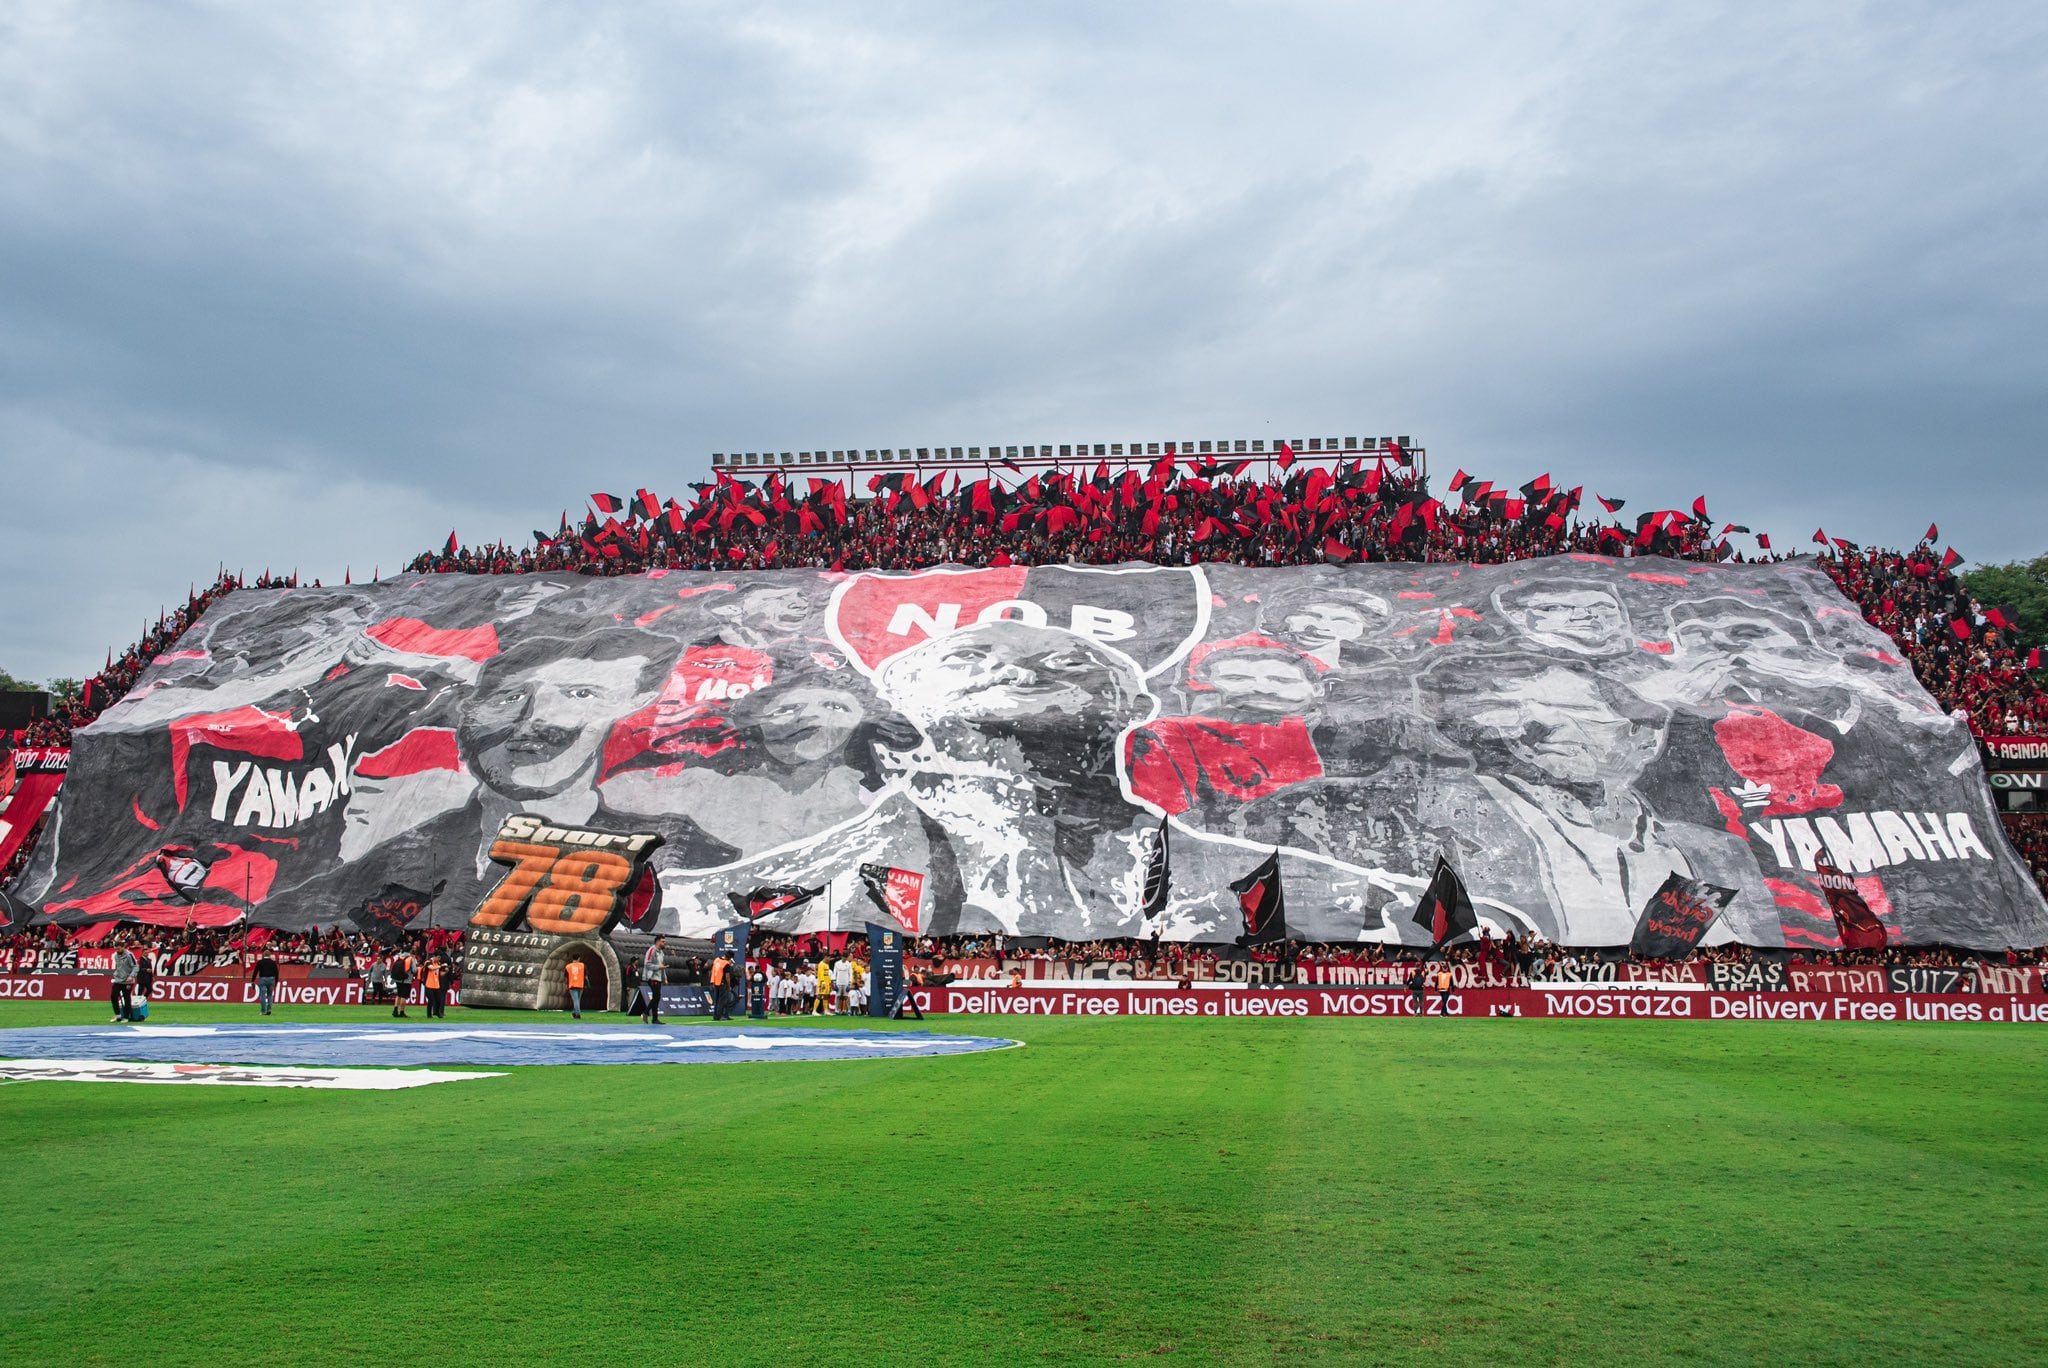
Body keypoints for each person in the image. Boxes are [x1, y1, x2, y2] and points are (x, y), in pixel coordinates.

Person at [641, 936, 668, 1024]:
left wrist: (665, 978)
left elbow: (662, 966)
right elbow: (647, 964)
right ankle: (645, 1013)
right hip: (652, 977)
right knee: (656, 996)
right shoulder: (652, 950)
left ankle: (655, 1019)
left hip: (658, 977)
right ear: (657, 942)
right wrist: (658, 967)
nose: (664, 943)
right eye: (662, 941)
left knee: (657, 997)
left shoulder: (661, 953)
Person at [110, 944, 138, 1023]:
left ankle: (126, 1017)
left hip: (127, 981)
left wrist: (131, 976)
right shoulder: (116, 956)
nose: (117, 951)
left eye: (118, 949)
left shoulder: (129, 955)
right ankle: (118, 1015)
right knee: (113, 996)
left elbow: (135, 967)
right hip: (118, 980)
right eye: (116, 949)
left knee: (126, 998)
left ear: (123, 947)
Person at [250, 949, 280, 1016]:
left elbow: (255, 971)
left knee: (262, 995)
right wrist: (276, 981)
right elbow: (276, 973)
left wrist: (252, 980)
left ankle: (263, 1011)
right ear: (270, 955)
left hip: (263, 979)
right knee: (270, 995)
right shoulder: (273, 962)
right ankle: (269, 1009)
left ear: (263, 955)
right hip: (271, 979)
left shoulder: (260, 962)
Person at [421, 954, 447, 1019]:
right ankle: (429, 1015)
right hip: (429, 985)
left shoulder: (438, 963)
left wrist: (446, 971)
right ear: (434, 956)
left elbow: (440, 974)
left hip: (436, 985)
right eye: (438, 957)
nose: (438, 959)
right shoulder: (428, 962)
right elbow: (431, 968)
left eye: (439, 958)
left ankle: (437, 1012)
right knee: (431, 1000)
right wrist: (441, 966)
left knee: (439, 1000)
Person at [390, 947, 413, 1018]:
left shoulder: (399, 957)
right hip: (406, 979)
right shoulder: (410, 958)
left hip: (398, 979)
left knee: (399, 995)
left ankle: (395, 1010)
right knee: (404, 996)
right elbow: (414, 970)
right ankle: (402, 1012)